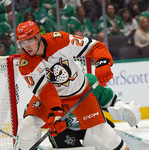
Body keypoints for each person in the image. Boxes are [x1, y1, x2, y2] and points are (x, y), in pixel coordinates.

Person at [15, 20, 130, 150]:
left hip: (80, 94)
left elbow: (95, 46)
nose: (27, 46)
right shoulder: (25, 64)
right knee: (27, 125)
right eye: (22, 42)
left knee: (102, 131)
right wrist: (56, 112)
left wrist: (102, 63)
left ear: (38, 36)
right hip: (49, 98)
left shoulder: (59, 40)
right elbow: (45, 90)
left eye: (30, 40)